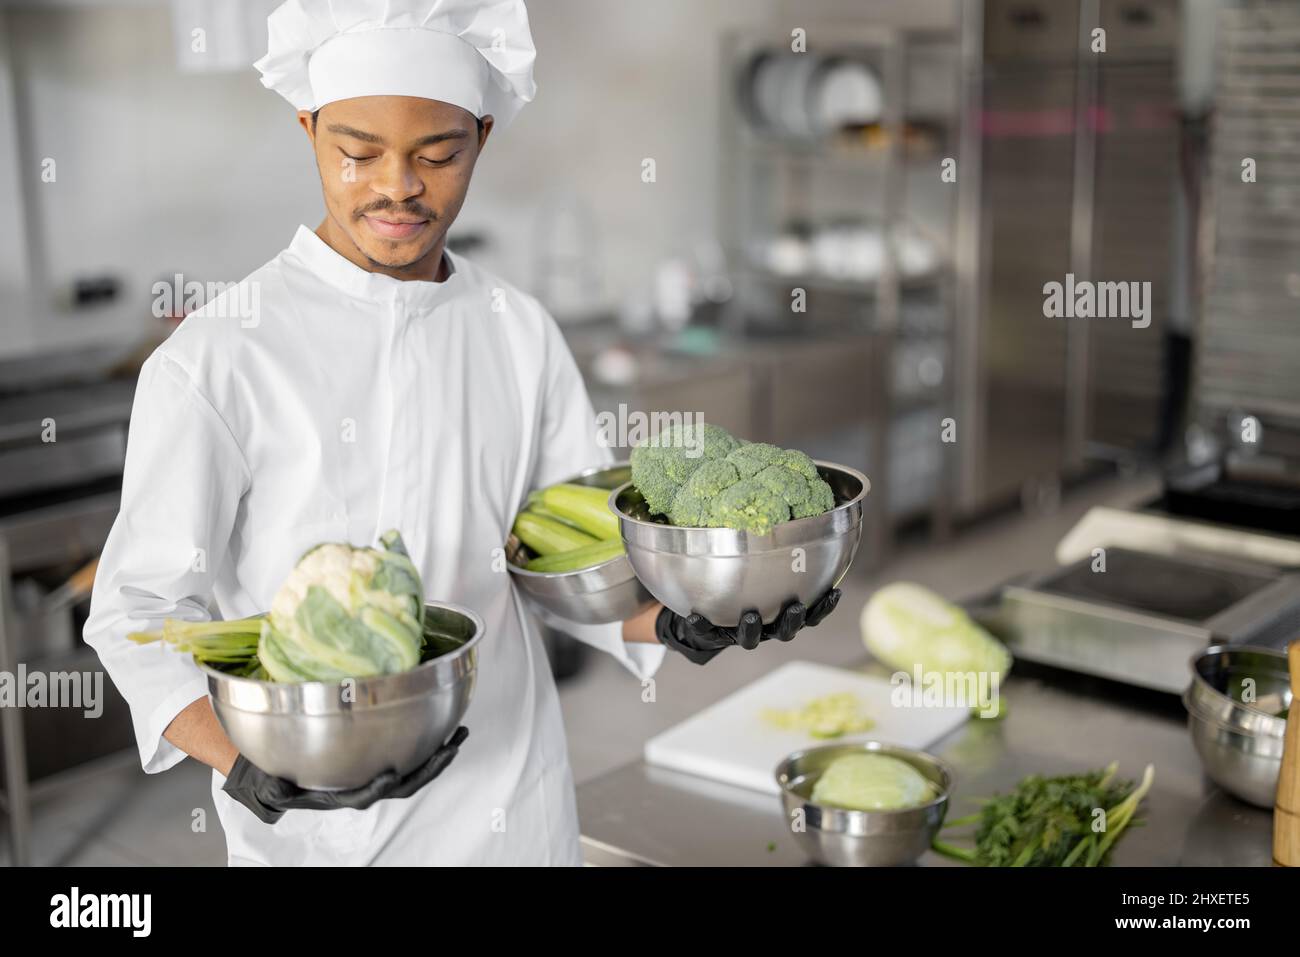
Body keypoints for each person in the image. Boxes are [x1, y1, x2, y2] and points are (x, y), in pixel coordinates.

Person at [83, 0, 838, 866]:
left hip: (515, 807)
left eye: (437, 153)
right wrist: (244, 761)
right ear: (309, 129)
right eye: (356, 152)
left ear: (481, 135)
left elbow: (564, 571)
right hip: (321, 832)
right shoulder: (218, 356)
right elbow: (137, 614)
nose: (398, 185)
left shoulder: (517, 331)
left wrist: (674, 619)